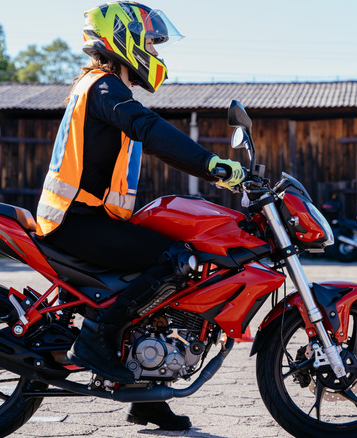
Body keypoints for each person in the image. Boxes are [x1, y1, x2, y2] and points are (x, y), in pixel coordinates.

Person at [34, 2, 244, 430]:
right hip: (74, 221)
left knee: (163, 272)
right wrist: (210, 165)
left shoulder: (105, 88)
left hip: (89, 219)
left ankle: (145, 396)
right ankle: (96, 336)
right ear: (122, 39)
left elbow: (144, 141)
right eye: (149, 42)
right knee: (175, 259)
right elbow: (149, 129)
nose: (154, 52)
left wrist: (211, 171)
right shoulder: (104, 88)